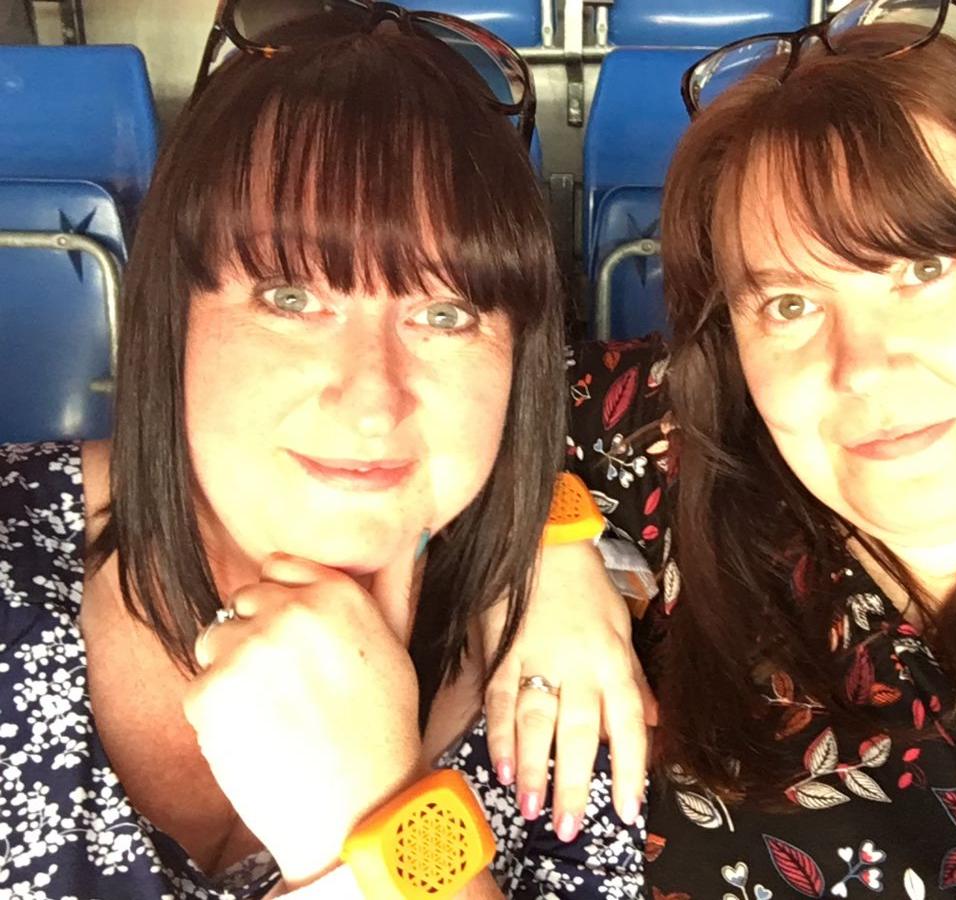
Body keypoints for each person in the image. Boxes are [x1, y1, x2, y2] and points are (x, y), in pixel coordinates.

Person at [0, 7, 645, 898]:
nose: (373, 401)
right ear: (173, 316)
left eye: (445, 315)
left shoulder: (561, 689)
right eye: (291, 298)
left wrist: (366, 808)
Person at [565, 10, 956, 899]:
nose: (861, 367)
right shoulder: (695, 445)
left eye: (925, 267)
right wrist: (548, 559)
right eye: (789, 304)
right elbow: (473, 402)